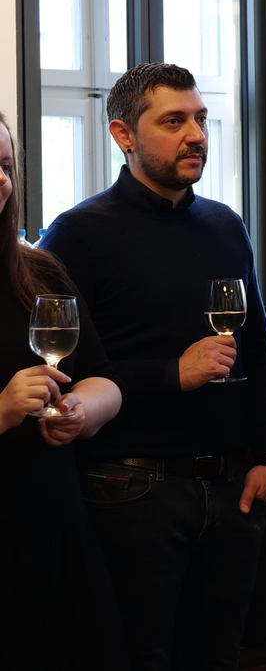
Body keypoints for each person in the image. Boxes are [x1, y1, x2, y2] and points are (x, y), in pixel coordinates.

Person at [41, 64, 266, 671]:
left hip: (232, 487)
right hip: (129, 488)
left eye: (200, 119)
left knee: (220, 657)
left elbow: (257, 351)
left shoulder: (225, 225)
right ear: (123, 134)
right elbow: (64, 377)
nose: (196, 134)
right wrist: (172, 373)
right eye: (173, 121)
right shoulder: (76, 236)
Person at [0, 111, 126, 671]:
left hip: (51, 524)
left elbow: (104, 379)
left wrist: (81, 409)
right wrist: (1, 411)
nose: (1, 180)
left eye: (6, 166)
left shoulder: (39, 273)